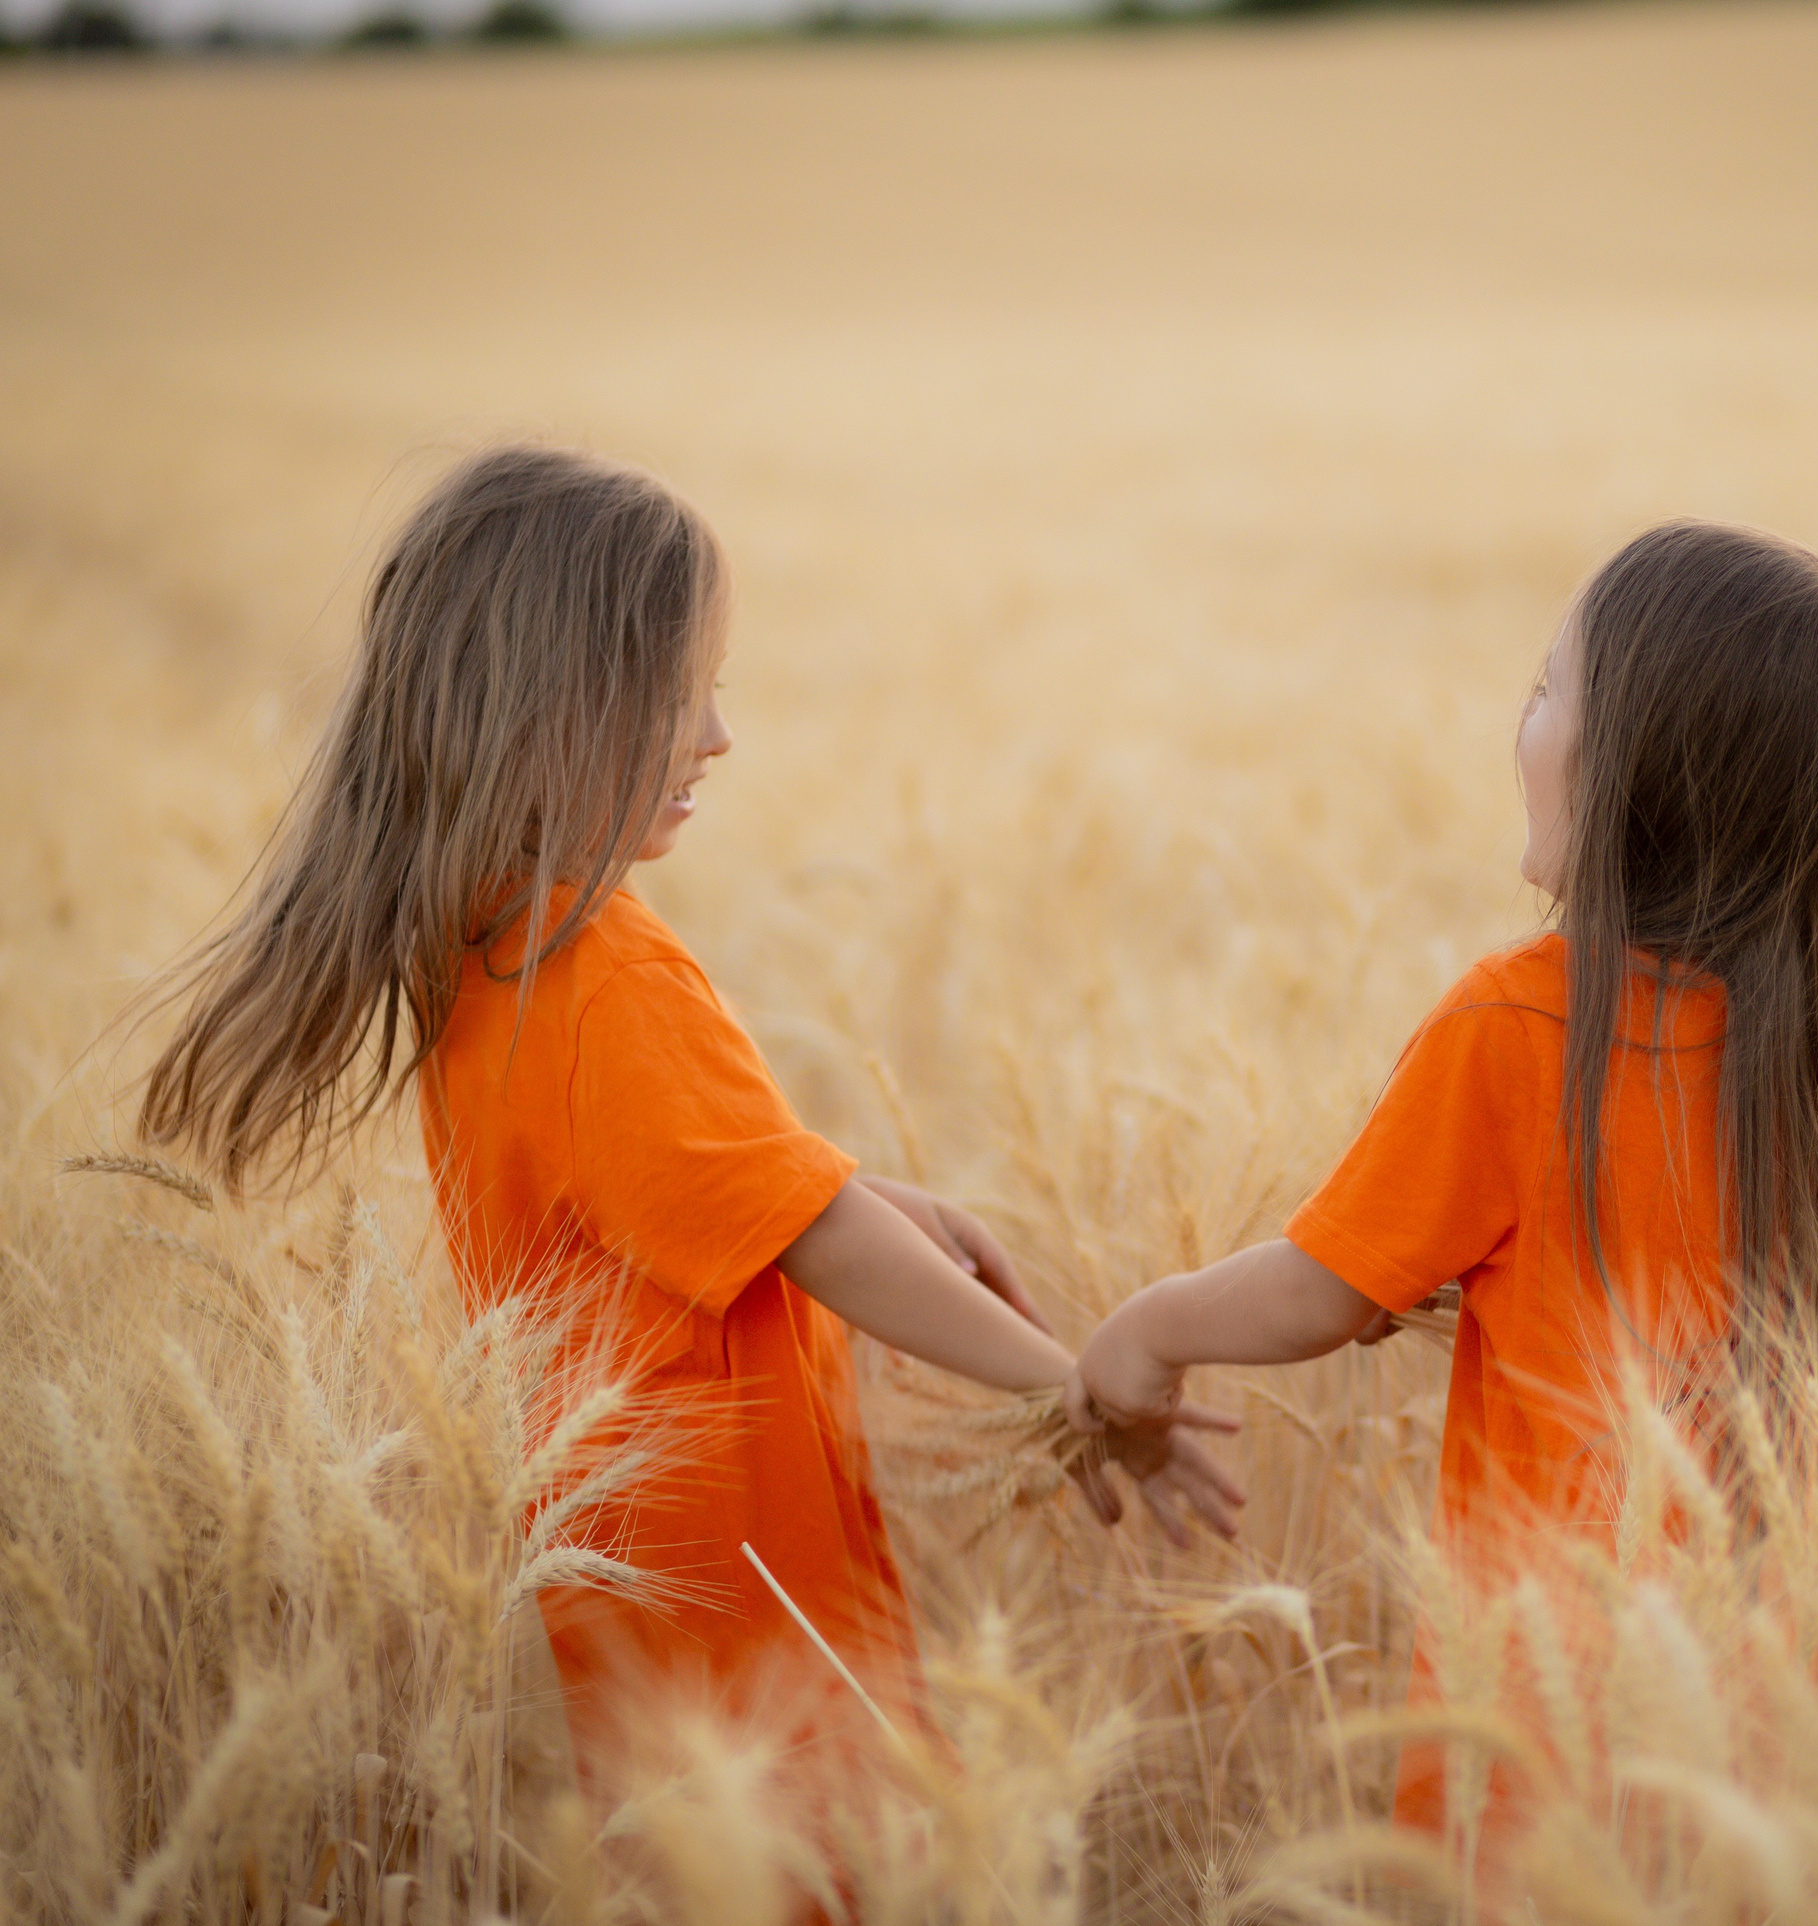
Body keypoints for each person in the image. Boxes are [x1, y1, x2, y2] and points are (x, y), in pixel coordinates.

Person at [134, 443, 1242, 1789]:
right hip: (746, 1585)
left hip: (622, 1570)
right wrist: (1066, 1389)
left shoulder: (484, 955)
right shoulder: (606, 973)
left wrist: (874, 1192)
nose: (718, 736)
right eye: (683, 695)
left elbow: (667, 1188)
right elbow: (811, 1231)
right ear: (552, 710)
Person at [1067, 520, 1818, 1853]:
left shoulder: (1524, 1022)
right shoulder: (1800, 1062)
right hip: (1793, 1677)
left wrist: (1149, 1328)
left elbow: (1320, 1290)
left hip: (1559, 1680)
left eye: (1545, 690)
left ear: (1628, 764)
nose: (1519, 722)